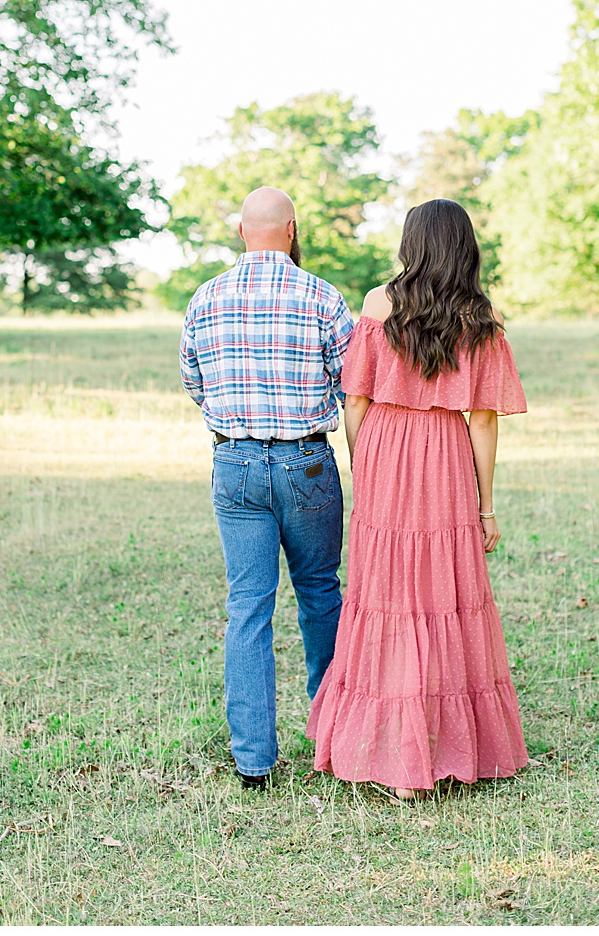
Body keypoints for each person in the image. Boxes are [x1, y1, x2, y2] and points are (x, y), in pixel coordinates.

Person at [306, 198, 529, 799]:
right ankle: (438, 748)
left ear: (413, 243)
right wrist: (486, 507)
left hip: (384, 444)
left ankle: (391, 754)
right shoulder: (480, 316)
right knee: (443, 594)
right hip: (446, 455)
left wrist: (366, 463)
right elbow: (483, 421)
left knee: (386, 594)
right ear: (465, 247)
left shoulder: (379, 304)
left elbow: (355, 399)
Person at [179, 186, 356, 789]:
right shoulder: (323, 297)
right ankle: (332, 739)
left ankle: (254, 761)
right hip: (305, 461)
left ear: (240, 231)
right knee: (320, 594)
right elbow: (350, 380)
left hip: (235, 464)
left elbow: (193, 379)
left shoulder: (206, 299)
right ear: (291, 228)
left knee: (248, 605)